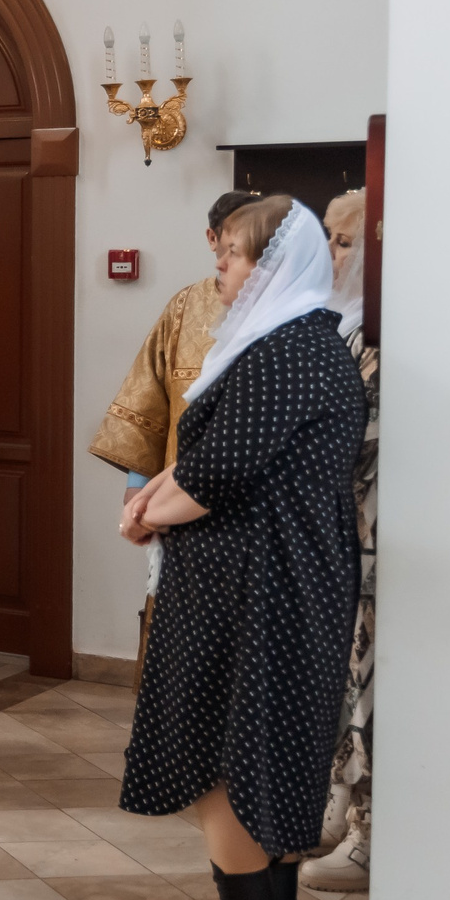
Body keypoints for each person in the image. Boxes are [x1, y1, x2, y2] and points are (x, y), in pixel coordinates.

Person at [117, 197, 365, 900]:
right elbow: (209, 452)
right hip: (265, 575)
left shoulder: (289, 348)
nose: (219, 266)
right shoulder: (290, 340)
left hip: (259, 583)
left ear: (271, 265)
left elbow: (220, 469)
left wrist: (146, 513)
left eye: (231, 254)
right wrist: (153, 500)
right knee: (260, 740)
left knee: (232, 745)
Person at [88, 189, 259, 673]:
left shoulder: (288, 319)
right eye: (228, 244)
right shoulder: (187, 306)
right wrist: (138, 485)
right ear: (211, 239)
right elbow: (149, 394)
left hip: (245, 505)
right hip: (177, 493)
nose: (232, 258)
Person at [302, 189, 378, 893]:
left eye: (346, 240)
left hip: (371, 526)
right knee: (339, 677)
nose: (332, 252)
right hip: (334, 525)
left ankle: (369, 831)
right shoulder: (334, 324)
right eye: (327, 236)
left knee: (368, 684)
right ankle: (337, 805)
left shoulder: (380, 334)